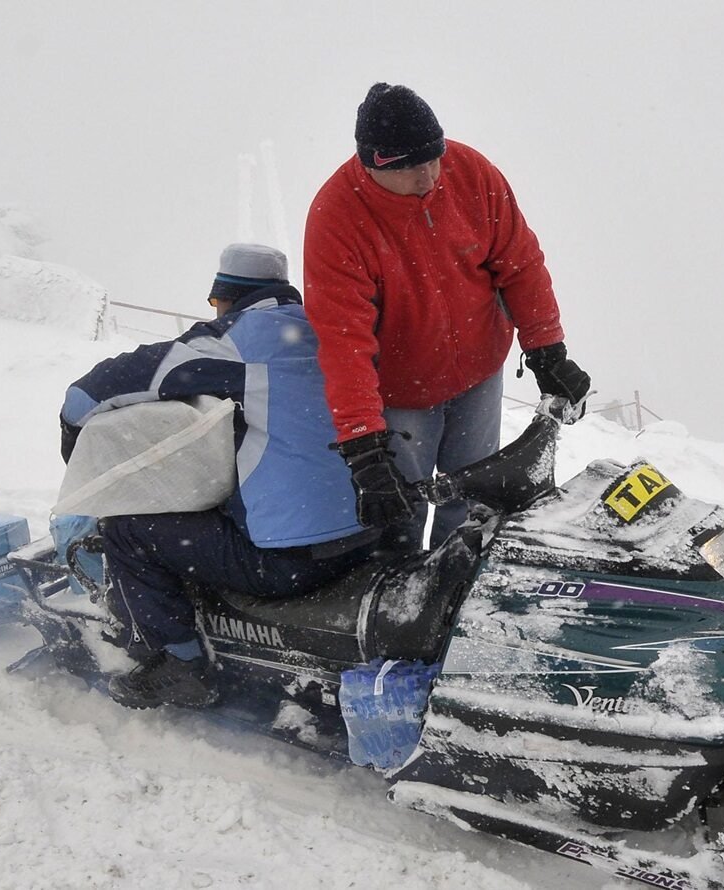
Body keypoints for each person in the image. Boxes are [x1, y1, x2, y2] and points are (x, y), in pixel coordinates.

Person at [59, 244, 378, 709]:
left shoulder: (232, 340)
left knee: (126, 530)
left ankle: (178, 663)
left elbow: (91, 392)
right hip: (366, 537)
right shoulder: (329, 327)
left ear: (228, 297)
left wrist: (72, 437)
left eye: (215, 302)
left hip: (289, 563)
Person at [303, 82, 590, 549]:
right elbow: (342, 341)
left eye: (434, 157)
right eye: (414, 167)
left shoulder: (471, 171)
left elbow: (521, 264)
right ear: (376, 162)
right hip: (402, 392)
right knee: (403, 509)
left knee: (475, 501)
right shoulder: (336, 218)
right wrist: (364, 448)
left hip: (478, 374)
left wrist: (547, 351)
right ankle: (407, 598)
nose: (431, 175)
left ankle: (462, 588)